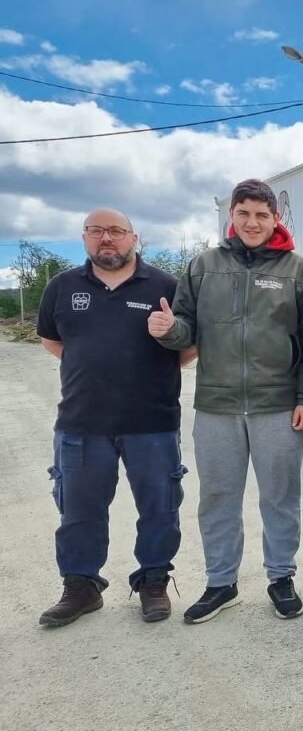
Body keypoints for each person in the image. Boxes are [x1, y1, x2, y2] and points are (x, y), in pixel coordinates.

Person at [149, 179, 303, 624]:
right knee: (218, 497)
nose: (252, 222)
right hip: (216, 406)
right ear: (232, 216)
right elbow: (186, 327)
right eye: (244, 213)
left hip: (278, 405)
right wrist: (169, 330)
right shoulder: (204, 266)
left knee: (280, 498)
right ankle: (221, 583)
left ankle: (281, 577)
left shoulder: (297, 270)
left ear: (275, 218)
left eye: (262, 215)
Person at [36, 208, 190, 626]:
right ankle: (81, 586)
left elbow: (189, 347)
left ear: (134, 238)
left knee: (160, 508)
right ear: (84, 237)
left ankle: (153, 582)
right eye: (97, 231)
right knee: (79, 511)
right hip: (82, 422)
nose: (107, 238)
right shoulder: (62, 287)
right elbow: (52, 341)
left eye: (117, 231)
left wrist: (157, 358)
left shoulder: (166, 286)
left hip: (153, 422)